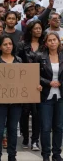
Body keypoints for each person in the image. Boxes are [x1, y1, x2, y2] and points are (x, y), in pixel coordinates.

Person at [0, 34, 42, 161]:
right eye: (5, 44)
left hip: (16, 103)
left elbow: (25, 80)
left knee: (13, 130)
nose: (8, 46)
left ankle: (12, 156)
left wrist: (36, 87)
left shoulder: (18, 60)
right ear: (0, 47)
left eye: (10, 44)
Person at [35, 32, 63, 161]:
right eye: (50, 40)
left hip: (60, 96)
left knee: (58, 127)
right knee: (46, 127)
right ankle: (46, 155)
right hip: (46, 96)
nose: (52, 42)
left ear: (58, 41)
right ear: (46, 43)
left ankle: (57, 154)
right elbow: (34, 75)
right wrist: (48, 82)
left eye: (54, 40)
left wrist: (60, 83)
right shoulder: (40, 57)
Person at [17, 20, 45, 151]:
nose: (38, 30)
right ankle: (25, 137)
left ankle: (35, 140)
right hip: (25, 81)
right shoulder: (23, 45)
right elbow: (17, 61)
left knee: (37, 112)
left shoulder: (44, 45)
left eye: (40, 28)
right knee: (25, 111)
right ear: (30, 30)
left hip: (41, 83)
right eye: (36, 28)